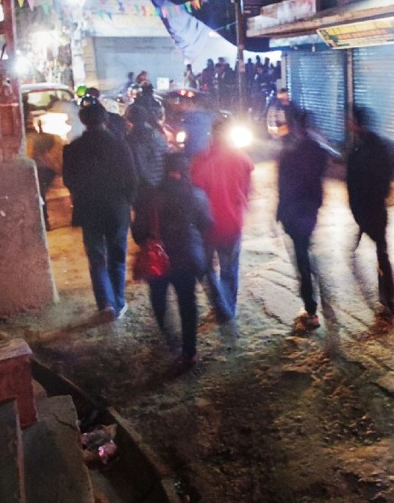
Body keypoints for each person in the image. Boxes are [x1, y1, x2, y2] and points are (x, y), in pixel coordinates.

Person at [132, 152, 213, 372]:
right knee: (188, 304)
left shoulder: (150, 197)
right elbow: (207, 223)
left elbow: (138, 231)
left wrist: (149, 240)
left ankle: (170, 338)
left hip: (158, 260)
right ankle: (189, 351)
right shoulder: (195, 193)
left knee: (159, 300)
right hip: (187, 257)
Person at [62, 103, 138, 320]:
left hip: (89, 208)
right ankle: (119, 301)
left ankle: (105, 303)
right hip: (117, 208)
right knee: (117, 255)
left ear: (84, 121)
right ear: (105, 120)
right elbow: (132, 179)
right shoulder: (120, 145)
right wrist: (127, 202)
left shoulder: (73, 148)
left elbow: (69, 180)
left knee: (96, 256)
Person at [191, 114, 254, 322]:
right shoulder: (243, 159)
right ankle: (228, 306)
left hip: (208, 226)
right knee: (229, 268)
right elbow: (247, 190)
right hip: (233, 223)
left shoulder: (201, 161)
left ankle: (220, 305)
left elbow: (196, 195)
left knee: (205, 267)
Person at [277, 109, 330, 332]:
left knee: (302, 260)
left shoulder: (291, 152)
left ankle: (311, 311)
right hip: (309, 210)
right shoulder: (317, 150)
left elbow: (284, 185)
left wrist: (280, 212)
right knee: (305, 253)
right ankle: (313, 305)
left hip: (296, 212)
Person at [346, 107, 394, 325]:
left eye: (351, 120)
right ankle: (388, 301)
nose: (348, 123)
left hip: (369, 208)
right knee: (381, 251)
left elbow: (357, 183)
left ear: (358, 123)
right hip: (374, 208)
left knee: (382, 254)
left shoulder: (363, 151)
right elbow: (390, 170)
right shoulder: (377, 146)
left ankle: (389, 303)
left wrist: (361, 205)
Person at [125, 103, 168, 197]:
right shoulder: (157, 133)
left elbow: (138, 167)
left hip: (145, 187)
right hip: (160, 183)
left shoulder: (134, 138)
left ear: (129, 119)